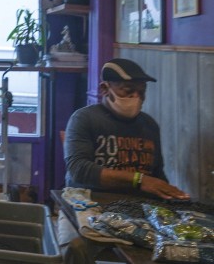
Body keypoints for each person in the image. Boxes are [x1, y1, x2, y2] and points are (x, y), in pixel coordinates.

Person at [58, 58, 189, 264]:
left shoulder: (149, 125)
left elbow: (156, 174)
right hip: (86, 206)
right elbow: (79, 169)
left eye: (141, 91)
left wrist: (171, 198)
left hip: (136, 211)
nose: (136, 97)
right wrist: (139, 180)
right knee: (74, 249)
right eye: (127, 90)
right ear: (104, 88)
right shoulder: (84, 119)